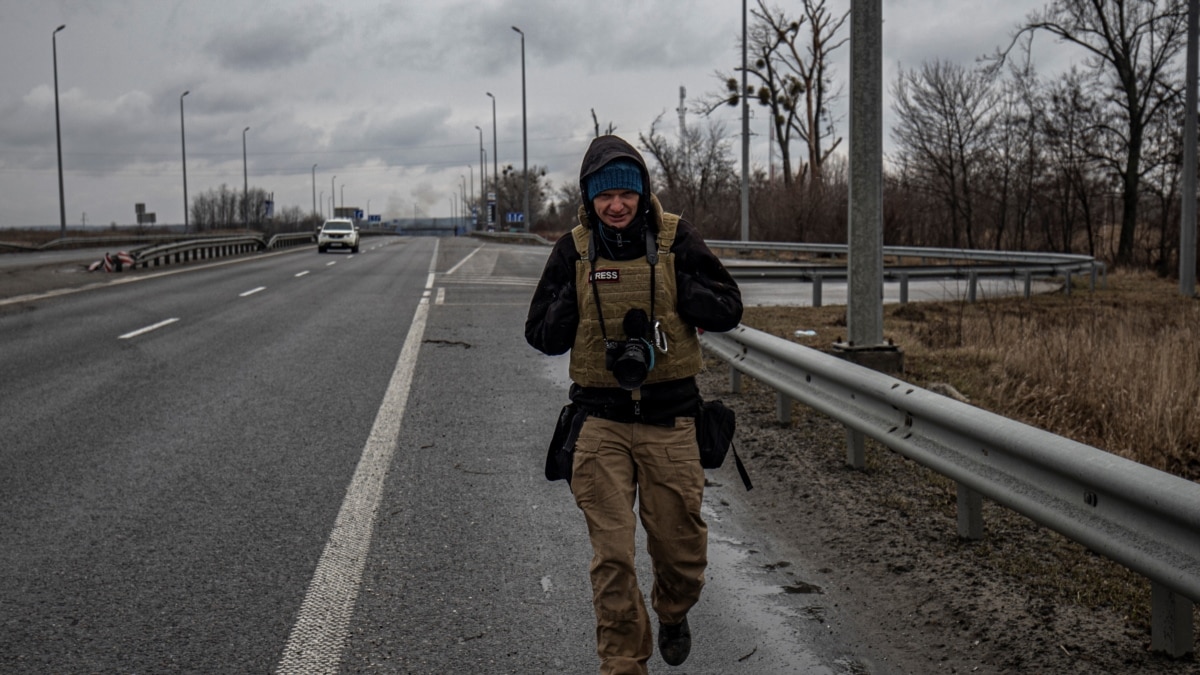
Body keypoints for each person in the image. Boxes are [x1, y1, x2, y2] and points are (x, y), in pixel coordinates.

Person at [525, 135, 743, 675]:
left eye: (626, 193)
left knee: (681, 553)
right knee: (613, 558)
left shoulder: (675, 239)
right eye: (605, 196)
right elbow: (540, 335)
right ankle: (623, 663)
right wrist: (578, 299)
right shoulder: (574, 250)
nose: (616, 205)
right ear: (588, 198)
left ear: (643, 193)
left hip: (672, 422)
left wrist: (675, 298)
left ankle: (673, 611)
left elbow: (728, 306)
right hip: (599, 423)